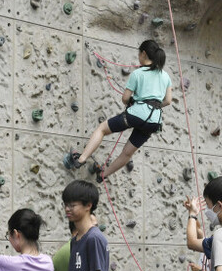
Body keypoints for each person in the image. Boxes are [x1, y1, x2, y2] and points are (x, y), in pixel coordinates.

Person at [66, 40, 172, 180]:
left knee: (102, 129)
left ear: (144, 53)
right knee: (127, 153)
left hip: (137, 114)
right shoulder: (165, 76)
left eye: (139, 54)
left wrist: (134, 102)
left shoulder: (138, 73)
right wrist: (153, 105)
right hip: (154, 122)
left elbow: (125, 98)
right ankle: (103, 175)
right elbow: (168, 101)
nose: (138, 57)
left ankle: (80, 159)